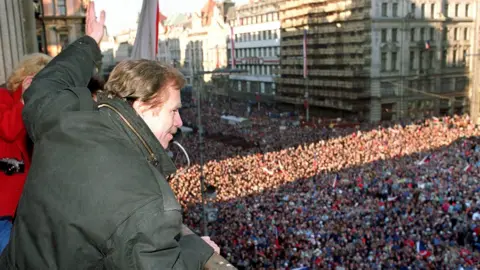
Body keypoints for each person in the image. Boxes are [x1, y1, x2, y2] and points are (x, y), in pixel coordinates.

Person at [0, 2, 217, 269]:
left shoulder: (65, 121)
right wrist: (198, 248)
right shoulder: (147, 201)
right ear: (142, 106)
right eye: (173, 110)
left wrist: (90, 41)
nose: (180, 121)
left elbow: (46, 84)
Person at [0, 52, 51, 252]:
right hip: (4, 208)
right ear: (28, 80)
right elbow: (8, 130)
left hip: (24, 209)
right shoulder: (3, 98)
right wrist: (23, 101)